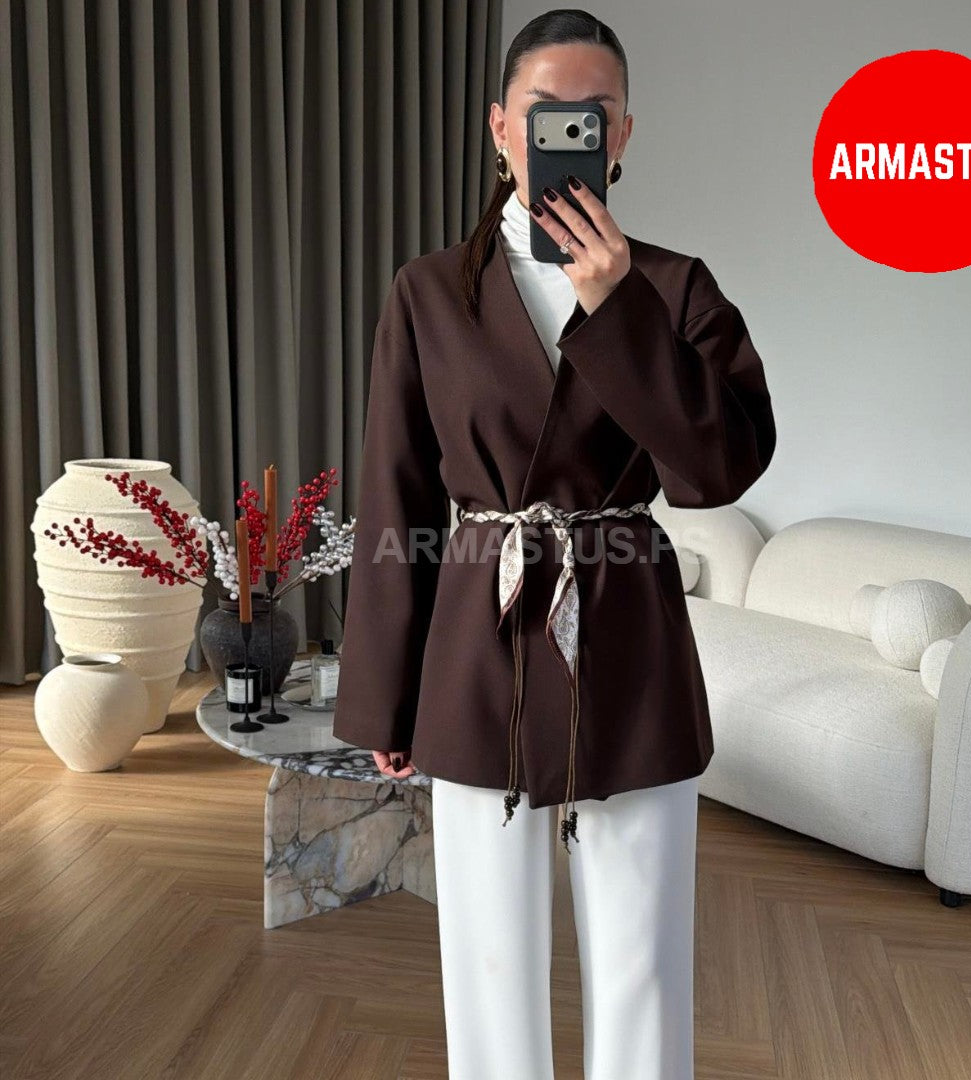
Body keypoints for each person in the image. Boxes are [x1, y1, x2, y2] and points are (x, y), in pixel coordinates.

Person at [332, 9, 776, 1079]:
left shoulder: (676, 288)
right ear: (500, 128)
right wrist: (385, 697)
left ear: (621, 136)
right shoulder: (429, 292)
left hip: (629, 645)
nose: (568, 132)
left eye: (594, 114)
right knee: (487, 959)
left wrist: (616, 309)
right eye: (545, 113)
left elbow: (716, 471)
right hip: (477, 648)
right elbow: (397, 499)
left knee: (642, 960)